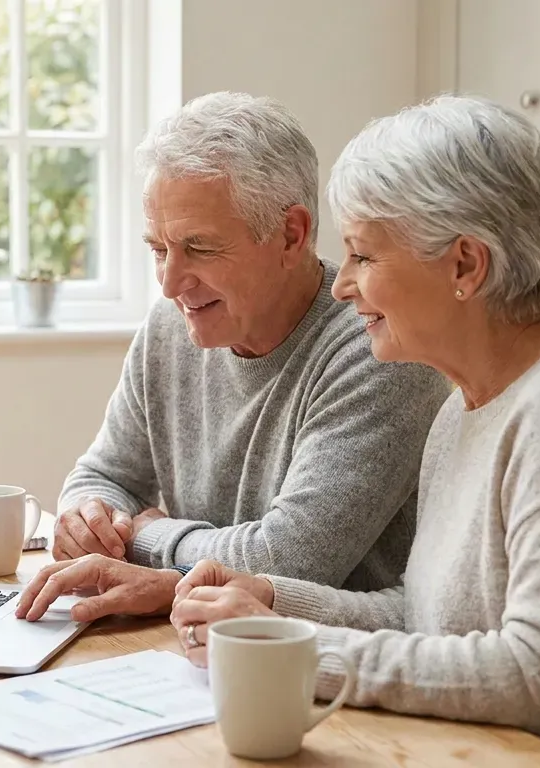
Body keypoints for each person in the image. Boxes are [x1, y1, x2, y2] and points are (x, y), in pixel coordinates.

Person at [162, 95, 540, 767]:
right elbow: (426, 617)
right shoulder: (464, 407)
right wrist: (274, 601)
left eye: (363, 255)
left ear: (465, 266)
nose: (343, 286)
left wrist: (301, 649)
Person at [40, 90, 449, 615]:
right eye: (159, 250)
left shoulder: (377, 349)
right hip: (201, 636)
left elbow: (288, 559)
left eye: (200, 248)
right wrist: (89, 519)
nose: (170, 284)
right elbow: (103, 475)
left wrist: (149, 534)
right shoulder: (171, 326)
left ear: (290, 235)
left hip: (323, 666)